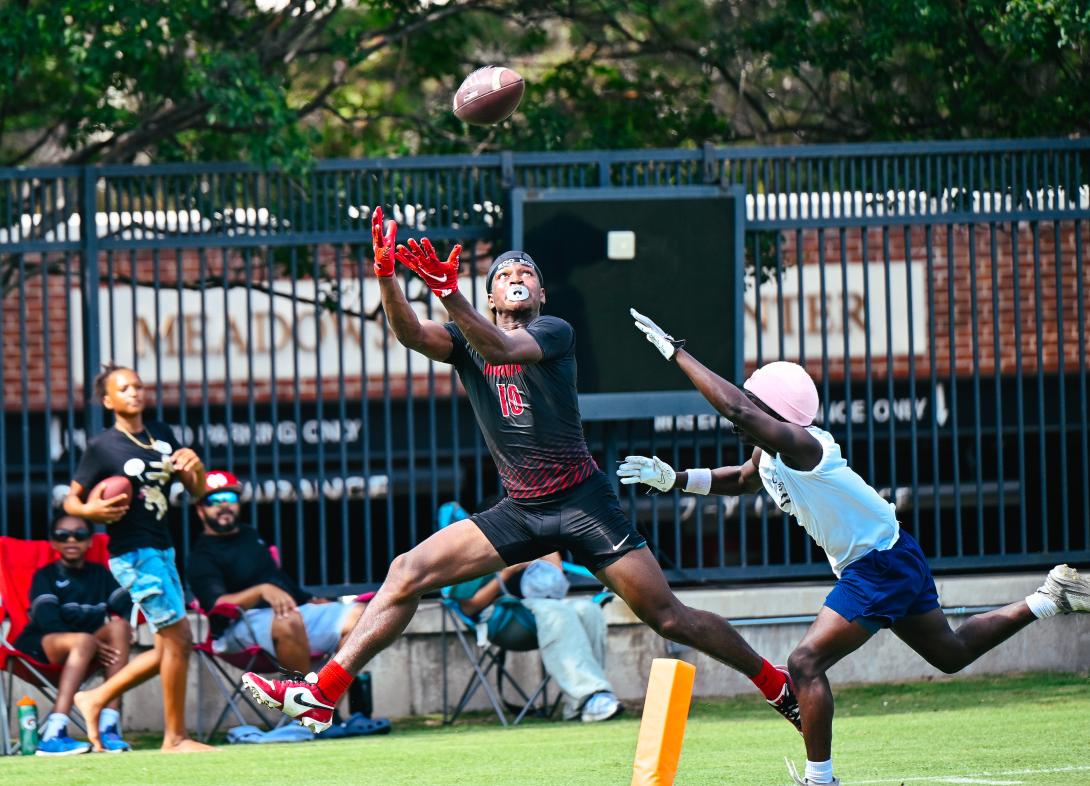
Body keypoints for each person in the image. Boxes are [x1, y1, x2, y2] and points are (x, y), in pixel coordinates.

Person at [240, 205, 801, 738]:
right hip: (522, 510)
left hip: (583, 504)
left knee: (669, 617)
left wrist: (448, 293)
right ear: (490, 295)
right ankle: (323, 691)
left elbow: (503, 350)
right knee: (406, 571)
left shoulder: (554, 330)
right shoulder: (464, 338)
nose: (516, 277)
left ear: (541, 293)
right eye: (505, 273)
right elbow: (411, 334)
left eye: (526, 273)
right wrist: (387, 277)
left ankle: (775, 683)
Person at [618, 309, 1090, 786]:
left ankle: (820, 780)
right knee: (951, 653)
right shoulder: (769, 453)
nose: (743, 415)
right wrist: (676, 478)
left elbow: (738, 411)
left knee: (804, 663)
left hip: (877, 564)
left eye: (756, 403)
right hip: (890, 553)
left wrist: (677, 353)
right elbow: (741, 480)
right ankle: (1050, 597)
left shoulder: (804, 447)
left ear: (776, 415)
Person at [62, 364, 213, 753]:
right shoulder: (102, 447)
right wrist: (90, 512)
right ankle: (175, 738)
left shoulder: (161, 434)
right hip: (133, 552)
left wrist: (196, 469)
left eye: (138, 386)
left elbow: (196, 491)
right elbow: (71, 500)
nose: (134, 392)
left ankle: (94, 698)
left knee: (172, 646)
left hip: (163, 548)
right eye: (124, 388)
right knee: (178, 637)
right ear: (108, 400)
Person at [186, 470, 368, 674]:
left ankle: (328, 693)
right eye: (213, 500)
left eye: (229, 497)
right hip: (238, 626)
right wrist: (261, 591)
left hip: (290, 613)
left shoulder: (250, 535)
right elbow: (217, 605)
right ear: (200, 510)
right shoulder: (201, 556)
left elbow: (274, 576)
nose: (223, 505)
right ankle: (302, 691)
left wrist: (309, 599)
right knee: (288, 621)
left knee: (362, 616)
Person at [14, 515, 133, 755]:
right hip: (42, 647)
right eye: (62, 535)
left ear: (89, 542)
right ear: (53, 542)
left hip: (85, 651)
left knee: (120, 628)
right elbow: (47, 620)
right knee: (83, 640)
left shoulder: (101, 575)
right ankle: (53, 733)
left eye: (79, 535)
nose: (71, 540)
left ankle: (109, 726)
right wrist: (90, 643)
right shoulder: (46, 575)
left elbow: (127, 607)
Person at [456, 551, 623, 723]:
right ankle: (588, 696)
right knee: (556, 612)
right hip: (505, 620)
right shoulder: (472, 549)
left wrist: (545, 550)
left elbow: (555, 585)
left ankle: (585, 702)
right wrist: (506, 573)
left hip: (542, 610)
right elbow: (470, 607)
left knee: (588, 610)